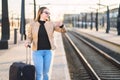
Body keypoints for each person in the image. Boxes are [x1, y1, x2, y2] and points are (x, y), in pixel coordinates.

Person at [25, 6, 66, 80]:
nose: (48, 14)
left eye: (49, 13)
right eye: (46, 12)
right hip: (37, 52)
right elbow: (29, 37)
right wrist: (27, 43)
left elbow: (63, 31)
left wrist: (62, 25)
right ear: (40, 13)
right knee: (39, 73)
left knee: (46, 73)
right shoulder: (33, 24)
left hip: (48, 52)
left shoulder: (51, 24)